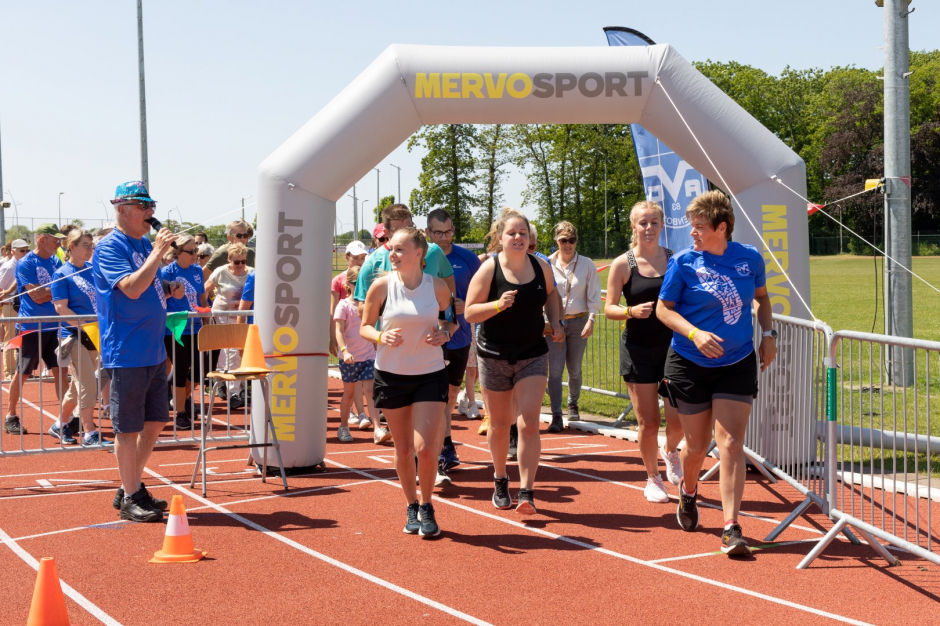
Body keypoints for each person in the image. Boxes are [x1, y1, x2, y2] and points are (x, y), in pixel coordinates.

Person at [656, 190, 777, 556]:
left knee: (732, 443)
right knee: (696, 447)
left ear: (721, 228)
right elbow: (664, 310)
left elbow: (762, 298)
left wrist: (768, 335)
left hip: (737, 361)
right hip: (689, 362)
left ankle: (731, 527)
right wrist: (694, 333)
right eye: (691, 226)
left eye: (699, 227)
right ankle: (688, 491)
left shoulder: (749, 258)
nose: (692, 233)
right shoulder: (683, 262)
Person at [94, 180, 184, 522]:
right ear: (122, 209)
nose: (150, 212)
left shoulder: (143, 243)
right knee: (128, 428)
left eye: (151, 205)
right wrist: (157, 255)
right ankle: (132, 496)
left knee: (156, 421)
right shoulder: (110, 246)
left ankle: (129, 486)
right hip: (127, 349)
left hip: (153, 348)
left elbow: (147, 284)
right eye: (143, 206)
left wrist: (167, 286)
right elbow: (131, 289)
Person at [359, 227, 457, 538]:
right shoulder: (381, 286)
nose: (393, 254)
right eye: (391, 248)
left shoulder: (437, 287)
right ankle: (411, 505)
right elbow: (364, 327)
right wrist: (380, 336)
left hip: (430, 373)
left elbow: (451, 320)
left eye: (400, 249)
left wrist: (444, 333)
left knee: (425, 449)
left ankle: (427, 505)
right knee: (403, 450)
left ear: (419, 253)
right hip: (391, 375)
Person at [465, 208, 563, 515]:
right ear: (500, 237)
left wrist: (556, 322)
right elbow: (469, 313)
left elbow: (552, 295)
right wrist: (497, 305)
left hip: (532, 354)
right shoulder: (489, 269)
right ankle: (500, 479)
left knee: (529, 422)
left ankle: (527, 491)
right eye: (512, 233)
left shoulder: (541, 266)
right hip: (494, 355)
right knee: (499, 424)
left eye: (523, 233)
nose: (518, 237)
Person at [605, 202, 684, 504]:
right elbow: (609, 308)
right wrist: (630, 311)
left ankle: (670, 451)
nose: (648, 228)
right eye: (643, 223)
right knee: (649, 423)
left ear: (662, 225)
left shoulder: (675, 260)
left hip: (673, 350)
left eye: (654, 222)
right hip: (637, 349)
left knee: (678, 423)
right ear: (633, 226)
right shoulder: (623, 264)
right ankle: (653, 478)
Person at [425, 208, 482, 485]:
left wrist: (466, 304)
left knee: (448, 396)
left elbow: (486, 292)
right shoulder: (421, 257)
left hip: (459, 337)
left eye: (448, 231)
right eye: (438, 233)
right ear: (428, 232)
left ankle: (445, 444)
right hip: (430, 338)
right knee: (433, 398)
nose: (444, 237)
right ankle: (439, 452)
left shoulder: (468, 259)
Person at [3, 224, 66, 436]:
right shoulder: (26, 263)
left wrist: (50, 291)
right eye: (55, 239)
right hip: (32, 326)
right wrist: (55, 291)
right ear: (42, 239)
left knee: (61, 372)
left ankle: (65, 419)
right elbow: (36, 296)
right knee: (23, 372)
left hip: (55, 326)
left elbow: (60, 291)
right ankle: (10, 416)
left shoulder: (56, 261)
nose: (59, 243)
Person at [51, 229, 110, 446]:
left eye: (90, 245)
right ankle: (89, 433)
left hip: (94, 334)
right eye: (85, 245)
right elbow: (60, 307)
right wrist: (84, 326)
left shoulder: (92, 270)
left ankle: (59, 425)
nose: (89, 249)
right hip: (73, 336)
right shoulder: (61, 273)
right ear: (72, 246)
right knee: (88, 384)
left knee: (77, 388)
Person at [546, 221, 600, 432]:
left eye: (571, 240)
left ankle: (573, 404)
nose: (567, 245)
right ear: (556, 241)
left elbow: (594, 295)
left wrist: (592, 320)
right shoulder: (547, 263)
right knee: (555, 371)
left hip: (579, 321)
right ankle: (556, 414)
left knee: (574, 369)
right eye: (563, 240)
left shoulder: (586, 264)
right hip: (555, 323)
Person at [334, 265, 388, 444]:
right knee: (349, 393)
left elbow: (372, 328)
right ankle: (343, 426)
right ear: (348, 284)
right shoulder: (343, 305)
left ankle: (377, 429)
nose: (360, 287)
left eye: (363, 283)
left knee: (371, 392)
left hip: (368, 356)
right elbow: (339, 331)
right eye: (356, 283)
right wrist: (344, 351)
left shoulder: (369, 305)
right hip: (349, 358)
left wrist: (377, 349)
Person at [159, 234, 208, 429]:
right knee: (180, 368)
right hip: (174, 327)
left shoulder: (197, 270)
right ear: (178, 253)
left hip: (195, 326)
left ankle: (184, 397)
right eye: (191, 251)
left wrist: (207, 322)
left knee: (199, 368)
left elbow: (202, 298)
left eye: (196, 250)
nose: (195, 254)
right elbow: (160, 299)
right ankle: (179, 412)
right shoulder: (167, 272)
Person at [205, 242, 251, 407]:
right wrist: (204, 309)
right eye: (236, 261)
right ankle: (234, 393)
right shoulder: (221, 272)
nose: (240, 265)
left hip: (243, 317)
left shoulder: (251, 272)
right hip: (223, 317)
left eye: (243, 261)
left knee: (241, 353)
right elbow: (205, 289)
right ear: (229, 259)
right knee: (231, 353)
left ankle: (236, 386)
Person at [330, 240, 369, 426]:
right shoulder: (338, 280)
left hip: (364, 340)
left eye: (362, 257)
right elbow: (333, 312)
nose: (359, 261)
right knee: (351, 385)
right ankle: (352, 414)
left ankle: (362, 414)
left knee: (363, 382)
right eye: (355, 258)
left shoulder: (367, 276)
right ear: (347, 257)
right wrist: (332, 338)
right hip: (347, 338)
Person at [0, 239, 30, 381]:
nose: (25, 253)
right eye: (22, 250)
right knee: (10, 339)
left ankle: (19, 370)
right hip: (10, 305)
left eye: (27, 250)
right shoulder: (7, 267)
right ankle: (9, 372)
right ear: (13, 251)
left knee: (21, 339)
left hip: (23, 306)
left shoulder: (26, 265)